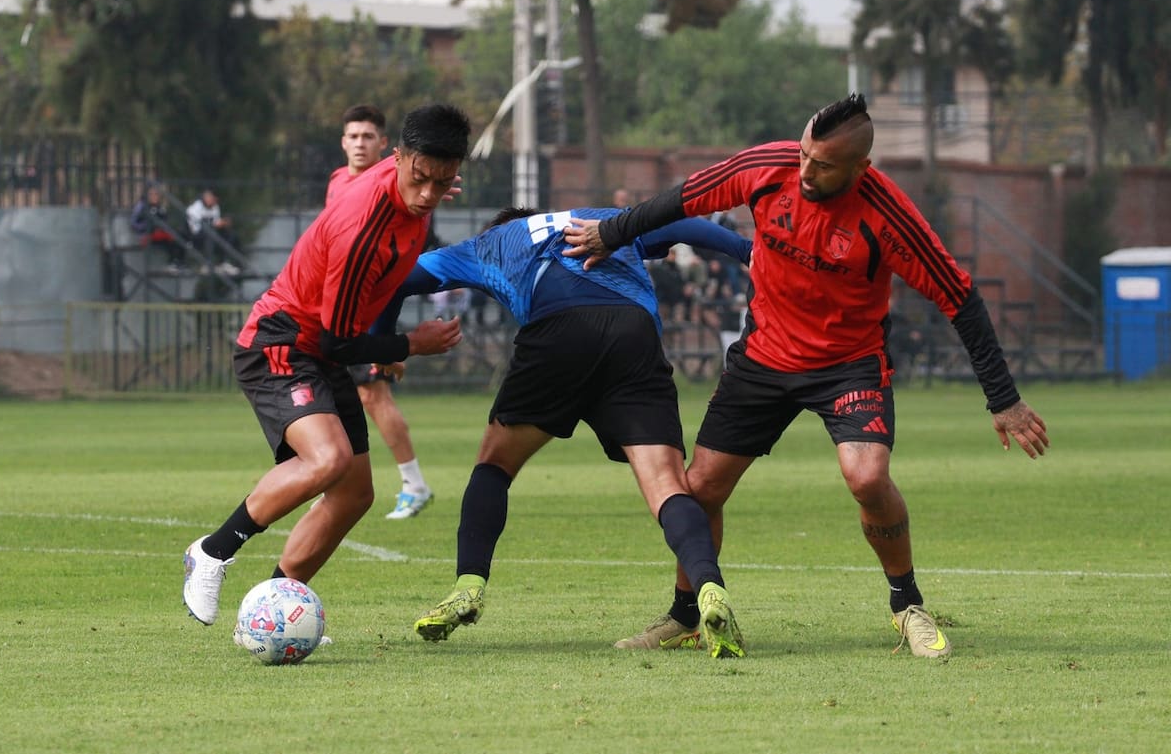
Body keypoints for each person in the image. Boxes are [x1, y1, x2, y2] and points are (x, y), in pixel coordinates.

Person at [563, 94, 1050, 658]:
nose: (805, 172)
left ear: (861, 167)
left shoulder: (888, 216)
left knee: (867, 478)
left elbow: (959, 298)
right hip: (764, 357)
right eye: (803, 155)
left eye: (822, 165)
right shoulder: (766, 167)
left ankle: (907, 605)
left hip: (849, 365)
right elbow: (681, 199)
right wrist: (613, 233)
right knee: (700, 489)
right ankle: (686, 615)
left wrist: (1003, 399)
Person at [394, 206, 753, 658]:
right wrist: (746, 249)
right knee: (667, 485)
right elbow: (679, 221)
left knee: (494, 466)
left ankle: (468, 585)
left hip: (558, 331)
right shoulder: (601, 217)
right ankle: (709, 589)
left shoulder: (489, 243)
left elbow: (396, 279)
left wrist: (388, 345)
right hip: (633, 334)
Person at [181, 103, 472, 628]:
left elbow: (364, 310)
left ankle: (273, 609)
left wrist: (428, 179)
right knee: (328, 460)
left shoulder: (407, 184)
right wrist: (409, 345)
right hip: (282, 341)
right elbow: (339, 344)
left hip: (320, 345)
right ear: (398, 158)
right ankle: (212, 552)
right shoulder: (365, 231)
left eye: (442, 180)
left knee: (355, 494)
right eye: (420, 178)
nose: (429, 193)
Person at [329, 103, 437, 520]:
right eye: (353, 136)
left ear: (384, 144)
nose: (360, 143)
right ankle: (338, 482)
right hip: (338, 312)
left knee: (373, 395)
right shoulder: (337, 181)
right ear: (343, 142)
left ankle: (414, 484)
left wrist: (383, 339)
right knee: (346, 397)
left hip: (366, 313)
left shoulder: (396, 188)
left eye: (368, 136)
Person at [130, 183, 185, 271]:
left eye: (156, 194)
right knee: (173, 237)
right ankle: (173, 263)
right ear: (146, 195)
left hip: (159, 234)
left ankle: (178, 262)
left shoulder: (159, 207)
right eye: (151, 194)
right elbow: (134, 223)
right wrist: (147, 226)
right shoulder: (141, 206)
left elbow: (164, 220)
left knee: (180, 235)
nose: (154, 196)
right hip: (146, 235)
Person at [185, 188, 241, 276]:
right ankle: (207, 265)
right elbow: (195, 229)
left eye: (215, 199)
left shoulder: (215, 207)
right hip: (196, 236)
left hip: (212, 232)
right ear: (205, 197)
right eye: (211, 198)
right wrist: (214, 225)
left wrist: (224, 223)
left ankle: (227, 263)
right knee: (210, 235)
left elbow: (216, 222)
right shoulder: (194, 209)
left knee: (231, 235)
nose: (214, 201)